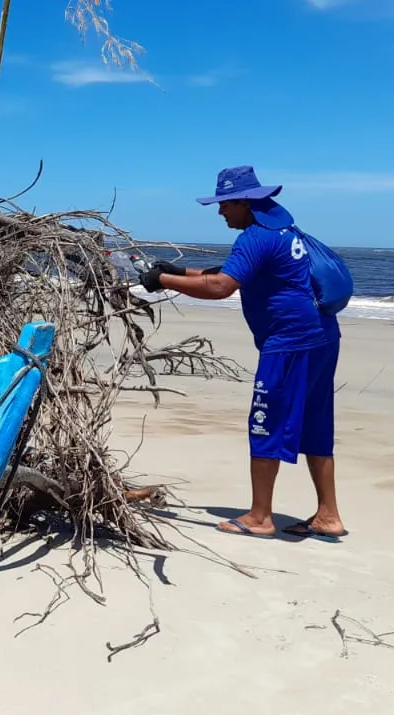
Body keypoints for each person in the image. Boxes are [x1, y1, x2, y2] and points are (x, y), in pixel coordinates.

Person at [139, 166, 347, 538]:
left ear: (244, 202)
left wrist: (162, 281)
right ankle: (328, 516)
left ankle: (260, 517)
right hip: (322, 338)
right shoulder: (284, 231)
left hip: (289, 344)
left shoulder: (254, 237)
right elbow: (235, 272)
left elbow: (221, 287)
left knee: (264, 421)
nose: (221, 213)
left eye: (224, 205)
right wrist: (180, 269)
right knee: (316, 425)